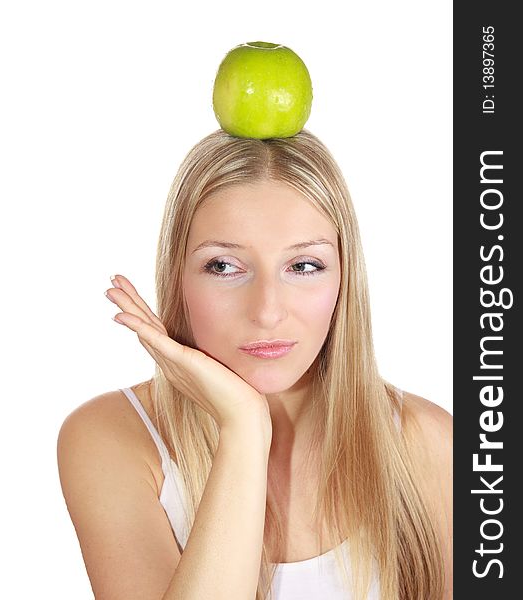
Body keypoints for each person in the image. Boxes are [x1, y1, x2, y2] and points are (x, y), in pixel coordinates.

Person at [57, 128, 452, 600]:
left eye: (303, 266)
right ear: (177, 274)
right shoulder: (114, 439)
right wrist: (243, 428)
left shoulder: (426, 443)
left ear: (345, 279)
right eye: (224, 266)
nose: (266, 310)